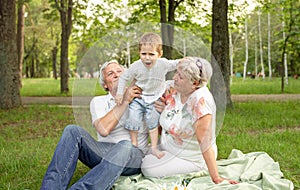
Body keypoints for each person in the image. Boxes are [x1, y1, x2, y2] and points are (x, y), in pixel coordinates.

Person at [41, 60, 150, 190]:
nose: (116, 75)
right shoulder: (98, 102)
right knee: (72, 130)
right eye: (110, 73)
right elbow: (103, 129)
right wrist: (125, 100)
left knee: (125, 145)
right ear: (105, 85)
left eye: (119, 71)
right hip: (103, 152)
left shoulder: (144, 98)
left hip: (134, 156)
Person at [141, 57, 239, 185]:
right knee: (137, 153)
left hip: (190, 158)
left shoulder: (200, 101)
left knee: (147, 167)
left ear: (195, 83)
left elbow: (204, 140)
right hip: (167, 148)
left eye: (180, 77)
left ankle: (198, 169)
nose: (175, 77)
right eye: (176, 72)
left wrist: (216, 178)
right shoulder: (173, 87)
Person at [115, 32, 179, 159]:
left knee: (152, 121)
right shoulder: (135, 66)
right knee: (133, 117)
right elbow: (123, 78)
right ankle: (134, 143)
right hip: (140, 97)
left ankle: (154, 147)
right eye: (143, 54)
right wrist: (120, 93)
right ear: (139, 53)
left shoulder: (163, 63)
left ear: (159, 54)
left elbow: (175, 63)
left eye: (151, 54)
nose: (147, 58)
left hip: (155, 97)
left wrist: (185, 61)